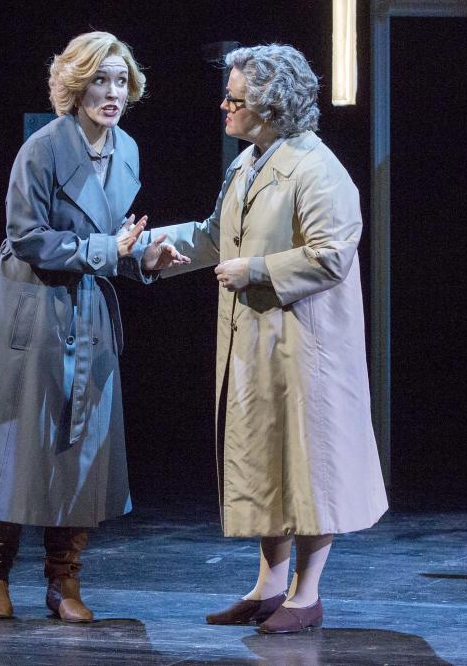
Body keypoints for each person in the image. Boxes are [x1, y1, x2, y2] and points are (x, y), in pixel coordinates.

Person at [0, 31, 188, 623]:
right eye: (100, 80)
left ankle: (65, 582)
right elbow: (28, 238)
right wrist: (112, 247)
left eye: (121, 81)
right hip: (31, 308)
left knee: (82, 450)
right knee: (14, 441)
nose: (112, 92)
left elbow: (112, 241)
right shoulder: (43, 148)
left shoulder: (126, 149)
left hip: (87, 311)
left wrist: (143, 261)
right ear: (75, 86)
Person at [146, 44, 387, 634]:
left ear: (273, 107)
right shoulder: (248, 162)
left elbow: (331, 255)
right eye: (227, 95)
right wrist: (153, 248)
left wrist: (255, 270)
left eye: (237, 99)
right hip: (256, 340)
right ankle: (269, 587)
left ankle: (308, 595)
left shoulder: (317, 169)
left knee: (308, 467)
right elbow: (212, 235)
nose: (224, 106)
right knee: (263, 461)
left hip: (306, 346)